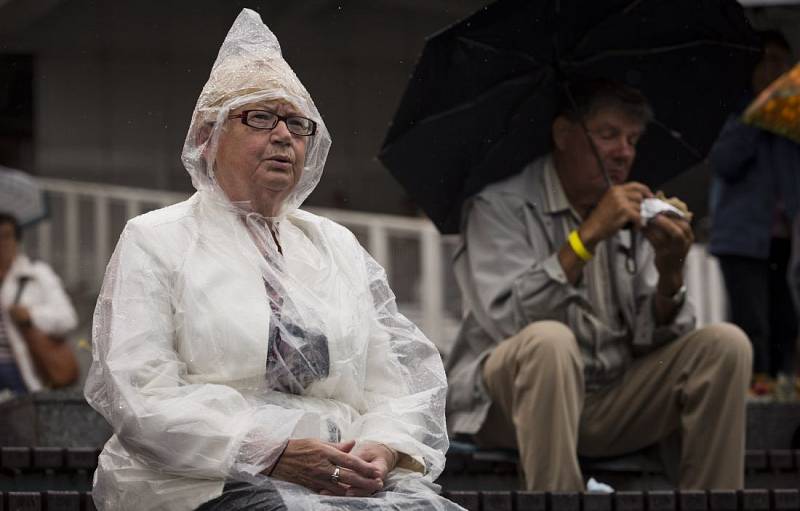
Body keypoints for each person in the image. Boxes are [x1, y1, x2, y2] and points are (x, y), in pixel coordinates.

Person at [83, 9, 460, 511]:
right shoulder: (157, 238)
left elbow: (395, 383)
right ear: (206, 138)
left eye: (297, 123)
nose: (284, 135)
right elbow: (140, 394)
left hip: (341, 476)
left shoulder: (335, 246)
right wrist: (269, 451)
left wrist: (382, 448)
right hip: (200, 481)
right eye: (259, 117)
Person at [444, 78, 752, 491]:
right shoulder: (497, 206)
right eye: (608, 135)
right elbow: (509, 320)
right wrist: (587, 236)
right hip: (506, 406)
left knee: (726, 345)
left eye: (632, 139)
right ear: (563, 135)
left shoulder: (631, 214)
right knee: (549, 342)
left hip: (608, 399)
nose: (624, 152)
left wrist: (669, 272)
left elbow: (653, 343)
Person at [709, 30, 800, 396]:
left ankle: (780, 396)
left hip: (784, 238)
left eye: (781, 61)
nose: (772, 69)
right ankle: (750, 401)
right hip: (742, 238)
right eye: (766, 60)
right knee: (752, 325)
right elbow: (724, 163)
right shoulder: (735, 111)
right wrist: (754, 116)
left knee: (785, 323)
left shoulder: (791, 117)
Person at [0, 212, 78, 395]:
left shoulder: (37, 274)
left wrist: (31, 315)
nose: (1, 243)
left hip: (22, 372)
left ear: (16, 240)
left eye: (6, 236)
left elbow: (67, 319)